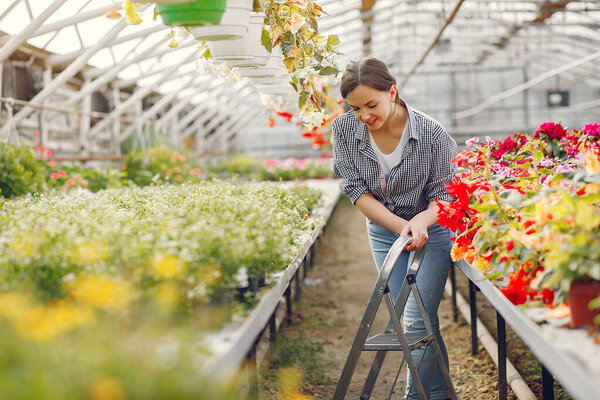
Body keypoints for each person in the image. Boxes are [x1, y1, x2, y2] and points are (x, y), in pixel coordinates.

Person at [331, 57, 457, 400]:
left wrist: (421, 222)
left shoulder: (430, 133)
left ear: (393, 92)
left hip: (431, 232)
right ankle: (439, 394)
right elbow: (356, 189)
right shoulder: (344, 130)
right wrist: (403, 227)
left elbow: (447, 193)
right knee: (414, 321)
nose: (364, 116)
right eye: (355, 108)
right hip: (386, 231)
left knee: (416, 321)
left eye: (371, 105)